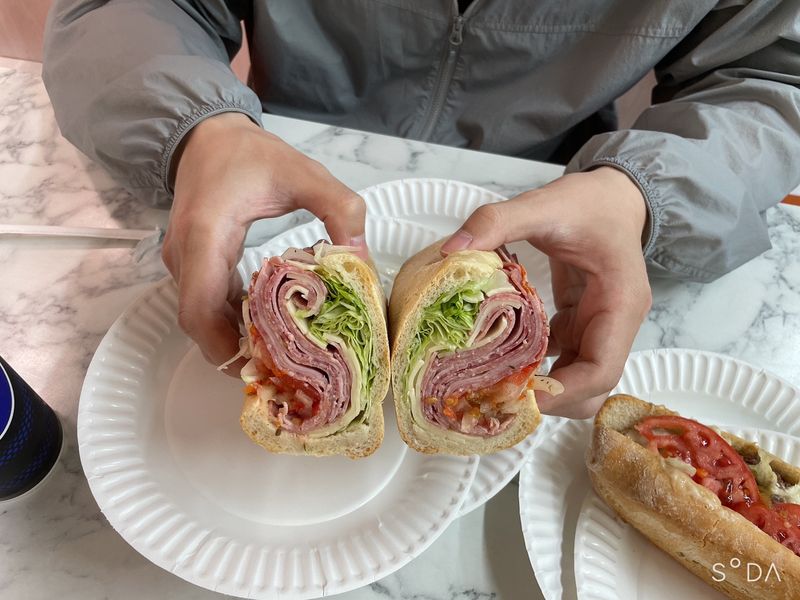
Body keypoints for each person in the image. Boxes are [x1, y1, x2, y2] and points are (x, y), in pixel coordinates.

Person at [42, 1, 800, 419]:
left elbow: (773, 70)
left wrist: (646, 192)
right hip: (269, 158)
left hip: (558, 191)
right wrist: (194, 126)